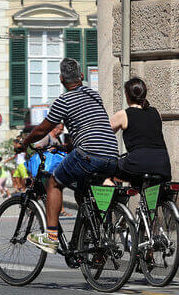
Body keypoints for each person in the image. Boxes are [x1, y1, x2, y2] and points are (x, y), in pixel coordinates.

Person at [22, 58, 118, 254]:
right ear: (81, 76)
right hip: (111, 154)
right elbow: (89, 124)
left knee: (54, 183)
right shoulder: (94, 95)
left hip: (89, 153)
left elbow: (42, 129)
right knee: (81, 189)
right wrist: (69, 145)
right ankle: (92, 232)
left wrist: (25, 142)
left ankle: (51, 236)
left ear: (61, 79)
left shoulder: (64, 101)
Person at [107, 77, 171, 186]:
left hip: (137, 163)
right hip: (163, 165)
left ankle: (113, 200)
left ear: (127, 95)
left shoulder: (123, 114)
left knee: (105, 169)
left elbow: (103, 134)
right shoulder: (156, 113)